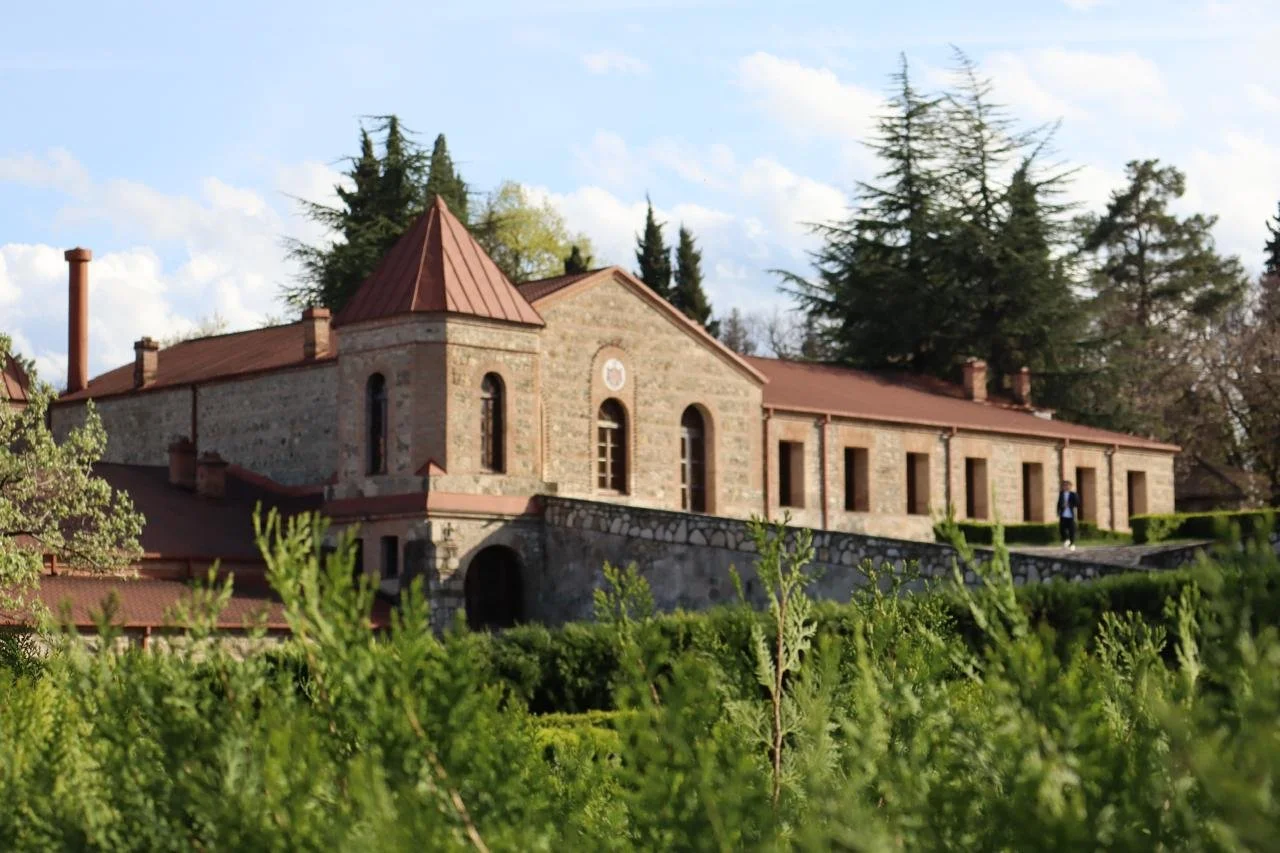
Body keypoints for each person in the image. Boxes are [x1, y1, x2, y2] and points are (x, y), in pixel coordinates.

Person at [1056, 479, 1081, 550]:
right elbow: (1058, 503)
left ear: (1070, 486)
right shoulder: (1061, 494)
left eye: (1068, 485)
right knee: (1062, 529)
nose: (1066, 487)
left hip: (1070, 515)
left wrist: (1069, 504)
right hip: (1063, 515)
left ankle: (1072, 544)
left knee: (1071, 530)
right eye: (1064, 485)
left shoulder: (1073, 494)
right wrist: (1058, 512)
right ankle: (1066, 540)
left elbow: (1077, 504)